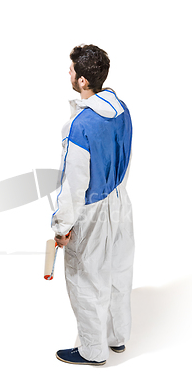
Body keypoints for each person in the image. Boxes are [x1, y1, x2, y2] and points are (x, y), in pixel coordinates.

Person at [51, 44, 134, 366]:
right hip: (120, 202)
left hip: (92, 212)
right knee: (118, 273)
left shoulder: (80, 126)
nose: (69, 74)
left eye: (72, 70)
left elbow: (74, 186)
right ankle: (117, 338)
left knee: (86, 281)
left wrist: (62, 227)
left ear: (84, 81)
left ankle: (92, 351)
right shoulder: (122, 109)